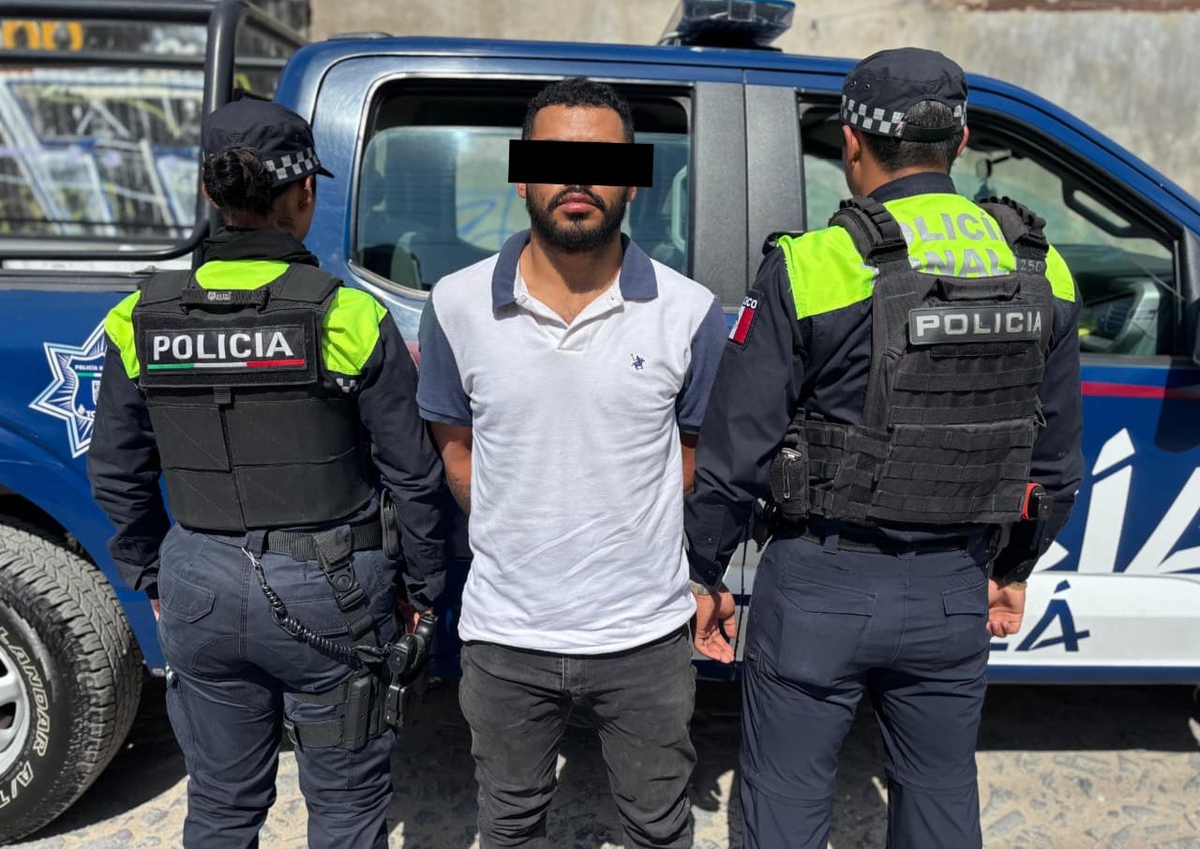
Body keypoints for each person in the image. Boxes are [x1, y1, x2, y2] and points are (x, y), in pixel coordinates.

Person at [684, 48, 1083, 849]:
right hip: (952, 586)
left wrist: (704, 574)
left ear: (851, 144)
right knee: (940, 798)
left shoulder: (816, 264)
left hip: (819, 586)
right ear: (961, 142)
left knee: (785, 804)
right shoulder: (1041, 267)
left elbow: (737, 451)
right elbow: (1054, 464)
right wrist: (1012, 569)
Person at [87, 98, 446, 849]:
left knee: (219, 808)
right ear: (303, 195)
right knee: (345, 812)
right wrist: (422, 592)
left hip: (198, 584)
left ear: (211, 195)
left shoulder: (137, 318)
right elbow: (412, 476)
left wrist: (155, 575)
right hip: (335, 593)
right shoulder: (346, 316)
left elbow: (117, 469)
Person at [416, 77, 728, 849]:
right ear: (522, 174)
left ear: (632, 179)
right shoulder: (456, 305)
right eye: (555, 159)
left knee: (659, 827)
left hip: (646, 639)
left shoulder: (690, 311)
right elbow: (458, 456)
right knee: (511, 822)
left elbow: (691, 462)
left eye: (602, 162)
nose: (578, 180)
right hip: (505, 637)